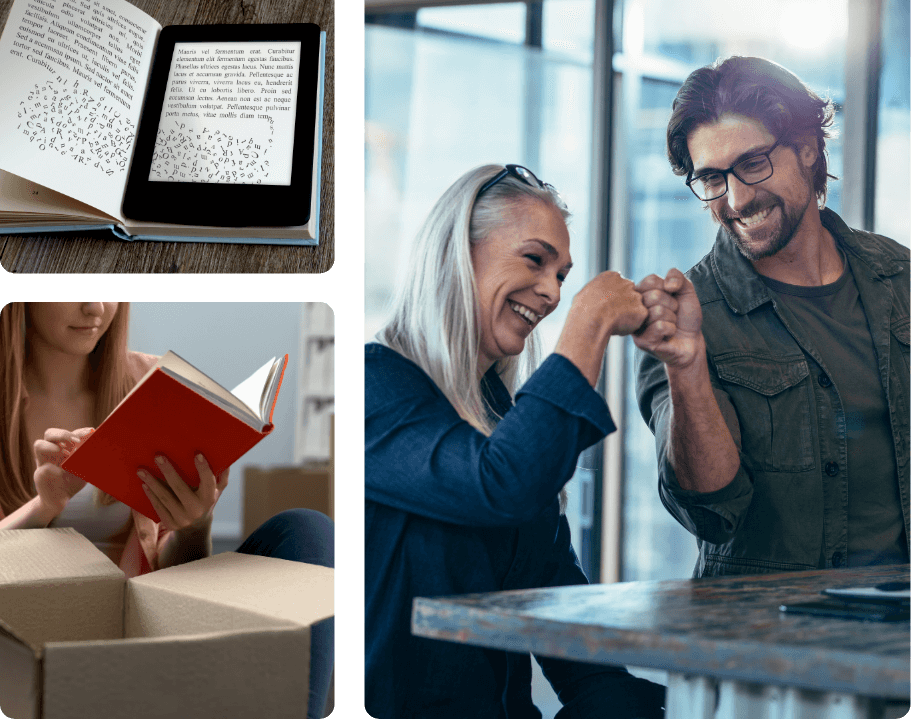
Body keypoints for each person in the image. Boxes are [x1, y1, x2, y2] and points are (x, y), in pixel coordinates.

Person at [365, 164, 665, 719]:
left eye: (563, 276)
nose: (552, 292)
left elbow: (563, 611)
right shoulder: (373, 387)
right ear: (459, 251)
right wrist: (591, 320)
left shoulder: (506, 418)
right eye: (535, 260)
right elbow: (499, 485)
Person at [633, 56, 910, 578]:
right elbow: (710, 509)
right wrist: (687, 366)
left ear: (807, 149)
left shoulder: (901, 280)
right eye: (713, 178)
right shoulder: (683, 322)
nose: (736, 199)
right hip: (760, 644)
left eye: (753, 163)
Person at [0, 302, 335, 719]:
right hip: (31, 629)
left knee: (305, 529)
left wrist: (195, 526)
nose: (96, 308)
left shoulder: (149, 383)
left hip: (146, 624)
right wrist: (44, 506)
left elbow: (177, 572)